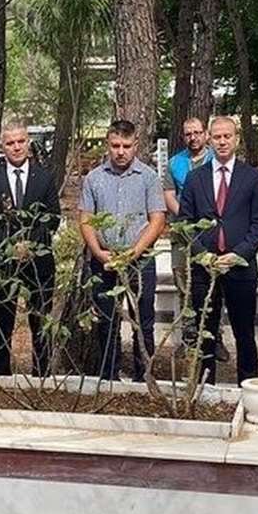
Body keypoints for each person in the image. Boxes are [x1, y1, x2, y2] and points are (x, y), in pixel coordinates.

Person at [179, 117, 258, 384]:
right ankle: (205, 386)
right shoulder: (195, 178)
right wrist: (202, 255)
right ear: (208, 138)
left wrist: (238, 254)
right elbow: (185, 223)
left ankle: (249, 385)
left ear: (236, 139)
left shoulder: (252, 177)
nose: (222, 141)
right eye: (217, 137)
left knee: (244, 333)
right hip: (204, 268)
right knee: (205, 332)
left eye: (227, 136)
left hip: (239, 267)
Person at [78, 120, 168, 380]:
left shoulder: (149, 177)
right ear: (108, 144)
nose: (120, 151)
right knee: (107, 320)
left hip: (139, 260)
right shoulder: (94, 178)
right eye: (115, 145)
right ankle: (108, 376)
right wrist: (96, 251)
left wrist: (135, 252)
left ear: (135, 146)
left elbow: (158, 219)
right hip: (104, 259)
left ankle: (144, 376)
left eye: (126, 146)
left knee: (144, 321)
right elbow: (85, 217)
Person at [0, 119, 60, 376]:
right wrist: (11, 246)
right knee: (2, 321)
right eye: (10, 143)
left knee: (40, 321)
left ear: (28, 143)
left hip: (39, 263)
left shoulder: (45, 179)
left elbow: (53, 218)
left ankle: (42, 373)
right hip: (3, 262)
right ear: (2, 146)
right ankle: (1, 374)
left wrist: (30, 245)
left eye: (21, 141)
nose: (16, 147)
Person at [163, 118, 221, 358]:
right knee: (183, 285)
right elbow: (168, 194)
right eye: (188, 134)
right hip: (182, 233)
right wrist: (186, 216)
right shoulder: (175, 163)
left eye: (198, 133)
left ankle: (214, 338)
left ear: (206, 135)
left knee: (213, 285)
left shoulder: (216, 160)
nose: (193, 137)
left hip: (210, 232)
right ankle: (189, 337)